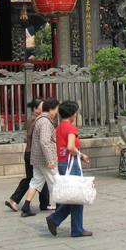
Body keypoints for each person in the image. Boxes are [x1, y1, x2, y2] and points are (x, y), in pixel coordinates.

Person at [46, 100, 92, 238]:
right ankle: (69, 225)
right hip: (71, 163)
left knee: (73, 195)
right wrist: (82, 155)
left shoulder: (58, 128)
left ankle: (59, 221)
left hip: (62, 163)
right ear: (72, 114)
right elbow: (71, 147)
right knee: (77, 196)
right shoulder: (71, 128)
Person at [4, 99, 50, 213]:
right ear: (35, 109)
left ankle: (45, 203)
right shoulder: (36, 121)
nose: (44, 109)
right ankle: (14, 199)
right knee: (32, 178)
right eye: (41, 107)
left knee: (40, 177)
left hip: (30, 153)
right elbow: (33, 136)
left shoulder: (33, 120)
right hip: (32, 153)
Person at [20, 99, 60, 217]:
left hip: (37, 158)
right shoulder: (46, 122)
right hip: (45, 159)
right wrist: (50, 159)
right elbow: (44, 142)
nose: (57, 112)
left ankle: (26, 206)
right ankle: (60, 208)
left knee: (36, 181)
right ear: (51, 109)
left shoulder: (39, 120)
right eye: (56, 109)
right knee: (55, 181)